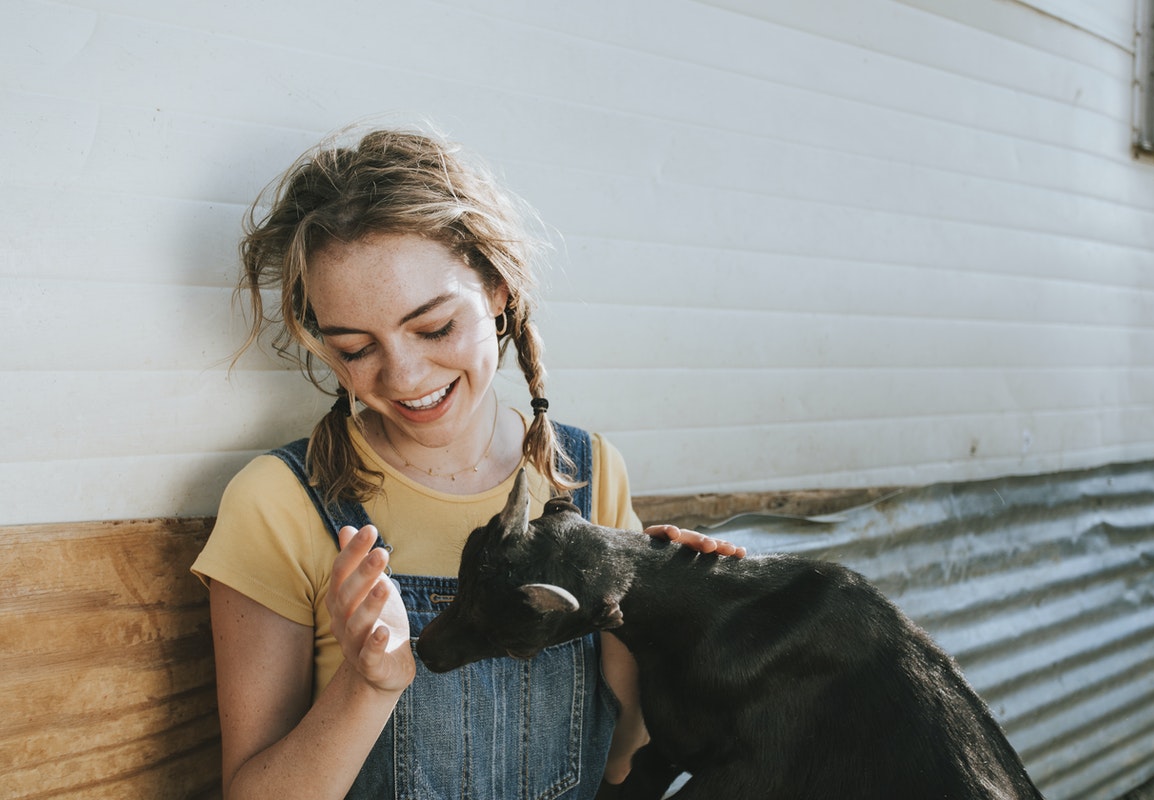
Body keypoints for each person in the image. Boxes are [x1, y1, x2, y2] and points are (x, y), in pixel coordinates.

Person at [192, 127, 744, 800]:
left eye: (433, 328)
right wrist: (366, 685)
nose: (403, 375)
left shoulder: (592, 471)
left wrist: (676, 625)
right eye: (355, 347)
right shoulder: (278, 502)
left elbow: (625, 763)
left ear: (498, 289)